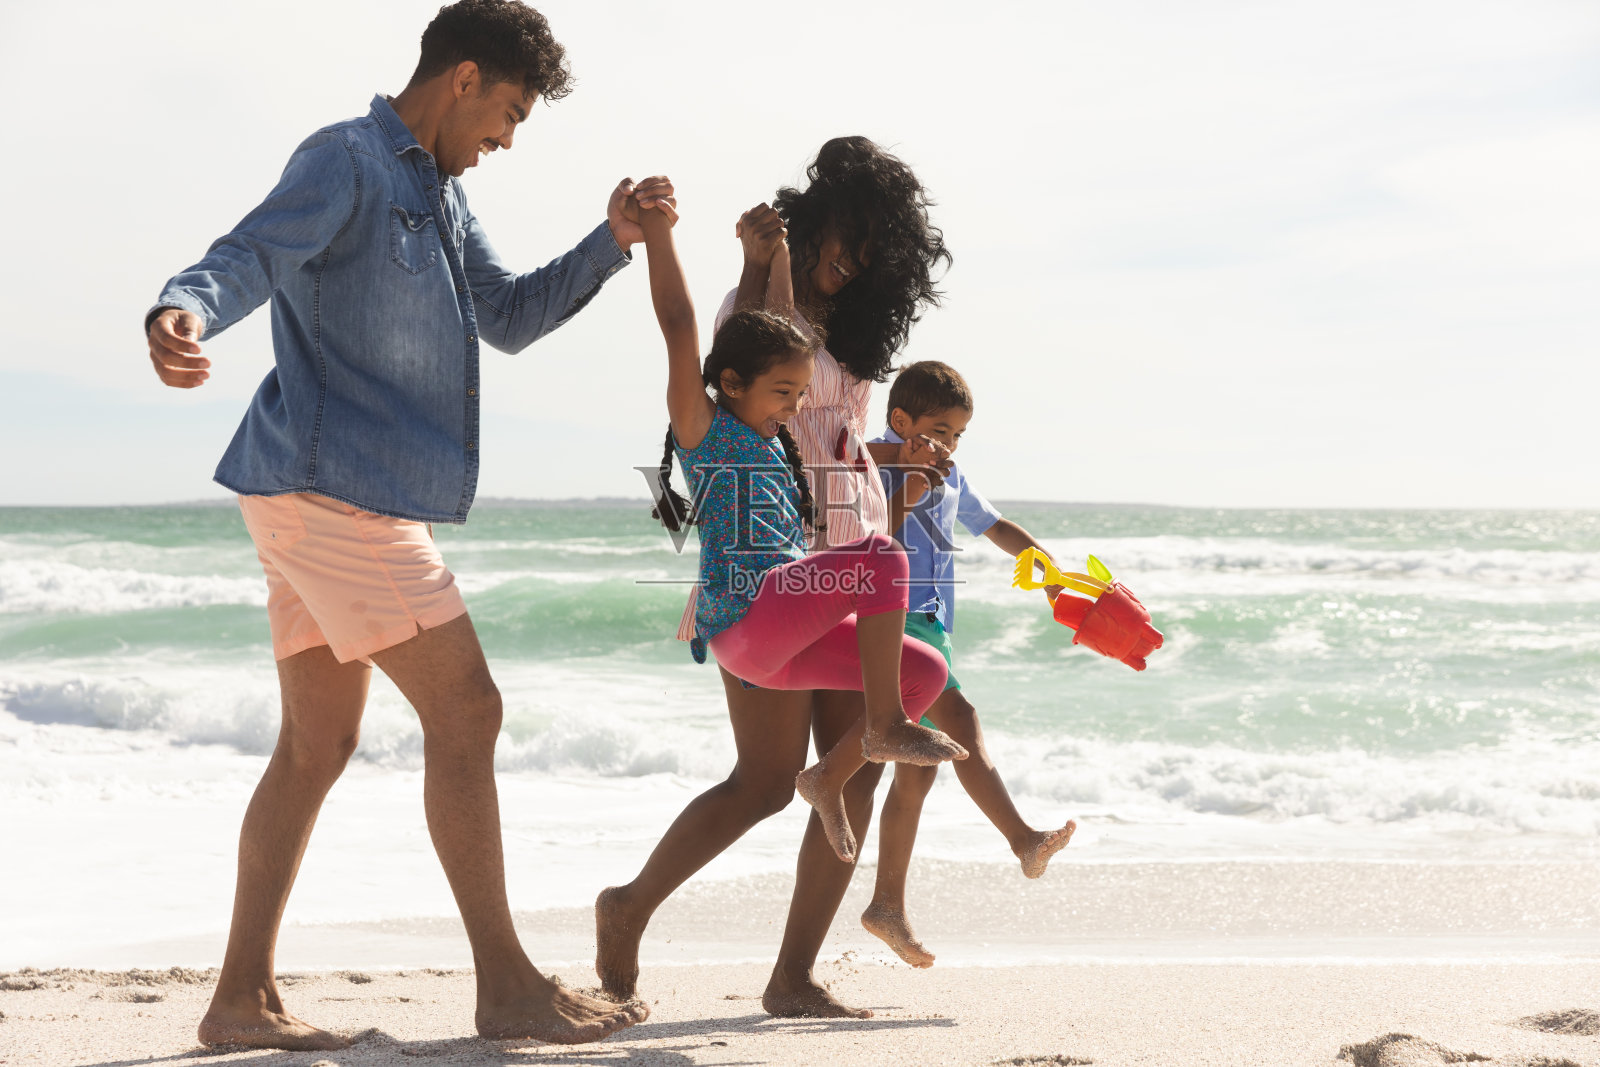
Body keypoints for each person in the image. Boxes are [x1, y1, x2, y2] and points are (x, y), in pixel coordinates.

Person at [144, 0, 668, 1049]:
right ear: (464, 77)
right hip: (330, 491)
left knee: (315, 743)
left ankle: (239, 998)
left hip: (324, 491)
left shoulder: (442, 198)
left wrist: (610, 242)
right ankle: (507, 983)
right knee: (468, 710)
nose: (508, 139)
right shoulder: (347, 158)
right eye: (510, 112)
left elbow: (508, 316)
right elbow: (248, 252)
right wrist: (182, 308)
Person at [597, 136, 952, 1018]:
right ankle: (630, 905)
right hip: (759, 608)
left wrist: (896, 467)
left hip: (821, 582)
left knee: (906, 699)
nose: (796, 403)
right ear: (735, 382)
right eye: (783, 392)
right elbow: (684, 328)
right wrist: (664, 237)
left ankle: (792, 976)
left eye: (800, 392)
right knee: (760, 780)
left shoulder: (782, 413)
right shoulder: (713, 420)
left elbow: (797, 363)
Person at [848, 360, 1079, 967]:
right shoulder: (879, 462)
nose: (946, 445)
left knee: (918, 772)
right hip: (893, 623)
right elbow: (867, 532)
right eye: (937, 430)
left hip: (936, 626)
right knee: (962, 718)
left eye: (956, 435)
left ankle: (886, 906)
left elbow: (995, 525)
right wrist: (909, 480)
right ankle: (1023, 839)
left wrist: (1049, 571)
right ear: (901, 421)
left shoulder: (952, 478)